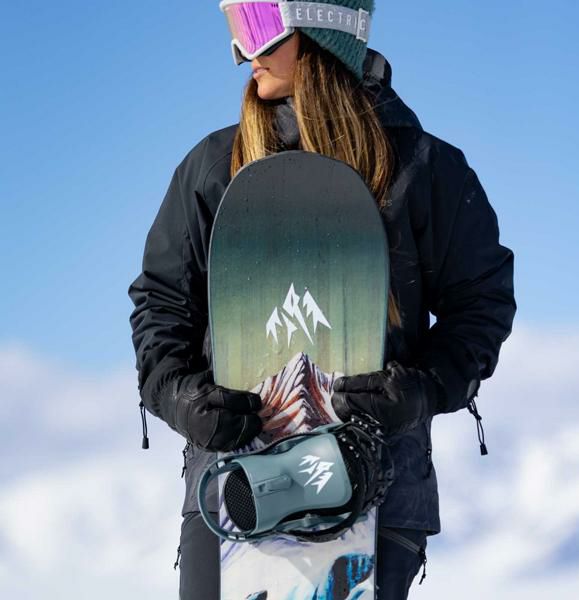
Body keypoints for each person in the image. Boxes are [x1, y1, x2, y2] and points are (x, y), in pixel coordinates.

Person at [127, 1, 517, 598]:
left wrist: (423, 388)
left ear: (323, 32)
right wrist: (183, 399)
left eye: (259, 27)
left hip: (380, 490)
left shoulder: (424, 168)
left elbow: (480, 304)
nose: (244, 55)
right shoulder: (213, 167)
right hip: (231, 490)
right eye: (238, 30)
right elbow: (161, 307)